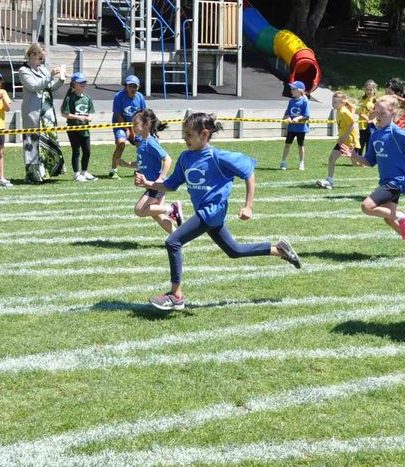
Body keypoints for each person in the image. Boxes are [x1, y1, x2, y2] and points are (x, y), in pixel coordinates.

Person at [144, 112, 301, 310]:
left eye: (189, 135)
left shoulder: (217, 156)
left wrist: (248, 206)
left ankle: (176, 295)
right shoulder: (185, 157)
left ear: (204, 134)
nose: (185, 139)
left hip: (212, 211)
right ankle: (279, 250)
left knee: (173, 241)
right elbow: (171, 185)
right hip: (207, 213)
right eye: (184, 135)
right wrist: (148, 183)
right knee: (234, 251)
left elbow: (249, 173)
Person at [339, 93, 405, 258]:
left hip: (397, 181)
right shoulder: (375, 135)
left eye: (382, 113)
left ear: (393, 114)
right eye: (377, 112)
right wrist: (354, 156)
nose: (378, 116)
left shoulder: (396, 132)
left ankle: (404, 216)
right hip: (386, 181)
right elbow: (369, 162)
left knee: (367, 206)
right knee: (389, 218)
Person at [123, 108, 184, 240]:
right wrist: (126, 164)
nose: (133, 127)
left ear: (147, 124)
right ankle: (179, 238)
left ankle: (172, 208)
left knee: (139, 210)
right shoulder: (143, 143)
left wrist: (160, 179)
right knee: (158, 215)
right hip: (151, 185)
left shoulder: (150, 142)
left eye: (135, 124)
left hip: (155, 185)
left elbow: (167, 159)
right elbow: (141, 162)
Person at [18, 44, 65, 184]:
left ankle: (45, 172)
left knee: (47, 140)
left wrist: (61, 80)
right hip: (33, 112)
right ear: (32, 55)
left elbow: (49, 87)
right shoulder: (23, 70)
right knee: (32, 143)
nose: (41, 60)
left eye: (42, 58)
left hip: (46, 111)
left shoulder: (42, 69)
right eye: (39, 57)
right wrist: (50, 75)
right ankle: (31, 174)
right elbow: (34, 86)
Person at [317, 91, 359, 189]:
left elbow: (352, 123)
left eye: (336, 102)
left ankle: (369, 162)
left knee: (355, 163)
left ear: (342, 102)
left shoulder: (343, 111)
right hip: (343, 140)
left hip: (348, 140)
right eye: (333, 101)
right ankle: (329, 181)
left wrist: (345, 136)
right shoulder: (339, 110)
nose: (334, 104)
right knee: (332, 159)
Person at [62, 72, 98, 182]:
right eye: (80, 82)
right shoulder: (70, 98)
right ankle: (76, 174)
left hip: (84, 129)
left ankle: (84, 172)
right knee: (76, 151)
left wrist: (89, 117)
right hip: (73, 129)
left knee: (87, 151)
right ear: (74, 84)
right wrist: (79, 117)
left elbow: (91, 112)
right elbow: (65, 113)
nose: (83, 84)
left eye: (84, 82)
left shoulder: (87, 98)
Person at [109, 75, 147, 178]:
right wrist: (127, 129)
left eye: (135, 86)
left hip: (136, 125)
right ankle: (113, 171)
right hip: (120, 123)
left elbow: (143, 114)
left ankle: (139, 169)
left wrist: (138, 129)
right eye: (130, 86)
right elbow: (118, 114)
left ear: (138, 87)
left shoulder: (140, 97)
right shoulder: (119, 96)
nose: (132, 88)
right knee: (121, 144)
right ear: (125, 86)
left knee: (142, 145)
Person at [280, 80, 309, 171]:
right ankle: (283, 162)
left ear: (300, 91)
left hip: (301, 129)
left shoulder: (304, 102)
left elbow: (306, 116)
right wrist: (288, 118)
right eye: (291, 89)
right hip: (291, 128)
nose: (291, 91)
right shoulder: (291, 101)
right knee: (287, 145)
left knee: (300, 146)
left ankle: (301, 163)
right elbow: (288, 113)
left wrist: (298, 118)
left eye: (293, 89)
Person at [356, 79, 378, 155]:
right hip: (362, 125)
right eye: (367, 89)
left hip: (372, 125)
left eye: (370, 90)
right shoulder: (362, 99)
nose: (369, 91)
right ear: (364, 90)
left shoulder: (376, 100)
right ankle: (358, 158)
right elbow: (358, 112)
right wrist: (367, 118)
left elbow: (378, 112)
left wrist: (373, 120)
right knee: (361, 142)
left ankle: (367, 159)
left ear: (374, 90)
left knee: (369, 143)